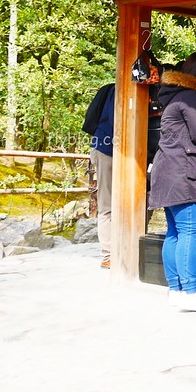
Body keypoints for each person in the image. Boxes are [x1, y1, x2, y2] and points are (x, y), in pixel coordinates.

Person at [149, 51, 196, 312]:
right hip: (184, 172)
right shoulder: (193, 96)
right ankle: (190, 292)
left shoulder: (172, 94)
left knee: (174, 232)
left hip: (166, 169)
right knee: (190, 230)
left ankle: (176, 290)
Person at [83, 81, 115, 269]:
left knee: (107, 204)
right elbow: (116, 122)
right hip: (108, 149)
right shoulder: (118, 92)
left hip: (103, 146)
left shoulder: (111, 90)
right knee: (107, 205)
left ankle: (111, 254)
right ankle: (108, 255)